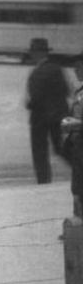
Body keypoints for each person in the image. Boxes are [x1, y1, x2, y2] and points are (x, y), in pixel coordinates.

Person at [25, 37, 70, 184]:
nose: (31, 54)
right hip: (58, 116)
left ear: (39, 53)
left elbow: (36, 97)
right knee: (60, 148)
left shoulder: (38, 73)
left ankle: (43, 182)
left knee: (39, 152)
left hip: (40, 118)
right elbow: (66, 90)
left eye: (33, 51)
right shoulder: (56, 68)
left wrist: (30, 104)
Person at [62, 51, 83, 220]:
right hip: (78, 146)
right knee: (77, 186)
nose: (76, 71)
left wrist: (75, 124)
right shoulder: (80, 92)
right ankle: (77, 225)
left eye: (79, 67)